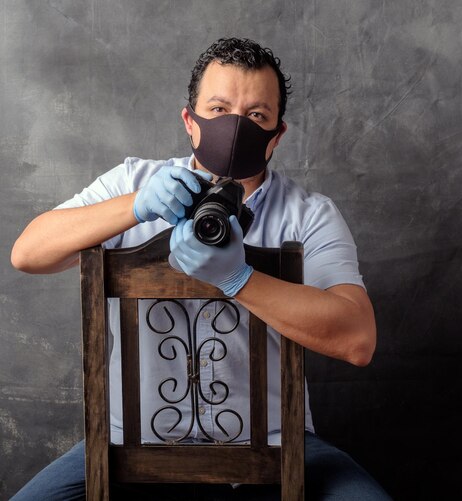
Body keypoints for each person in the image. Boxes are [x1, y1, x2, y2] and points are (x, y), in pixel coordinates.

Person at [10, 37, 391, 500]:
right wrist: (138, 206)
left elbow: (357, 339)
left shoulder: (309, 214)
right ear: (190, 122)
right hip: (128, 445)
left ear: (277, 134)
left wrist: (240, 280)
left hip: (276, 442)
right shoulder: (131, 181)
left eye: (256, 116)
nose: (235, 127)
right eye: (217, 109)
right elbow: (28, 253)